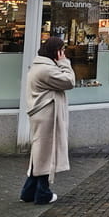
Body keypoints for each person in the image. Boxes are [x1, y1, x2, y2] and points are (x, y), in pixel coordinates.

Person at [20, 37, 75, 204]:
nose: (63, 54)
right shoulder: (46, 70)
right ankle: (42, 193)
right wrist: (65, 62)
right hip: (46, 114)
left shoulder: (41, 67)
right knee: (45, 152)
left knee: (41, 151)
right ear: (55, 52)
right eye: (61, 51)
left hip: (43, 113)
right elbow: (69, 81)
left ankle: (29, 191)